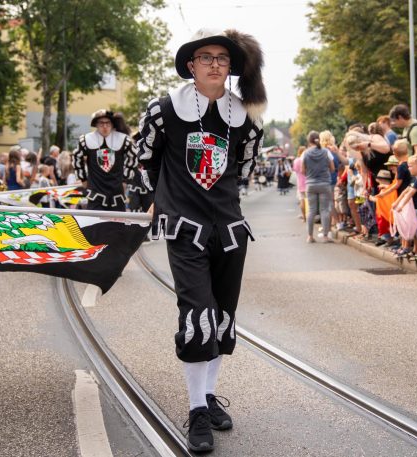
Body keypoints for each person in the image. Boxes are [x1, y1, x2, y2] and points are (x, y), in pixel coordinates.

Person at [137, 28, 265, 452]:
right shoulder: (163, 112)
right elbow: (145, 161)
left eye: (222, 59)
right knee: (197, 316)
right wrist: (156, 201)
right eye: (206, 57)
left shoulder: (244, 117)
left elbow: (244, 169)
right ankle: (195, 411)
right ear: (191, 65)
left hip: (229, 230)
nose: (214, 64)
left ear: (231, 69)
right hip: (184, 230)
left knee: (223, 317)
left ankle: (209, 396)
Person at [73, 110, 137, 212]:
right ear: (96, 124)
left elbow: (133, 157)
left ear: (112, 124)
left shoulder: (123, 139)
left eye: (107, 123)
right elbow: (77, 157)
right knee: (95, 225)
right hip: (95, 191)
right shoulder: (85, 140)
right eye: (101, 123)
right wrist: (83, 179)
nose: (105, 126)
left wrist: (125, 180)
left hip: (117, 192)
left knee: (118, 226)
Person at [392, 155, 417, 261]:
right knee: (415, 230)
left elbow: (411, 193)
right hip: (413, 209)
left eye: (411, 166)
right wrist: (397, 202)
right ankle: (414, 250)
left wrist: (401, 205)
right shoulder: (414, 179)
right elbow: (405, 191)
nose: (408, 169)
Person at [302, 131, 335, 243]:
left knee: (311, 211)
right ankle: (325, 236)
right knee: (325, 210)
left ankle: (310, 236)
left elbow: (302, 170)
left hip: (310, 184)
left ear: (309, 141)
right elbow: (332, 168)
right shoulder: (326, 152)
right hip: (325, 184)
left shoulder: (305, 153)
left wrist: (311, 173)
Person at [292, 146, 307, 222]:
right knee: (309, 201)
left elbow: (295, 170)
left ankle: (304, 217)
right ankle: (309, 216)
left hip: (300, 183)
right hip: (308, 182)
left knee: (302, 200)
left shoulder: (296, 161)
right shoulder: (306, 159)